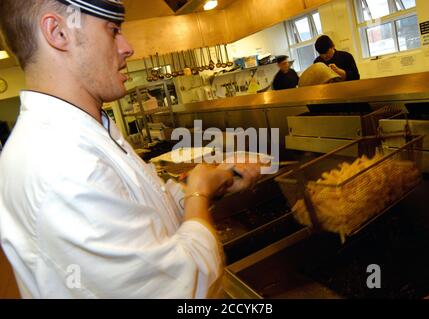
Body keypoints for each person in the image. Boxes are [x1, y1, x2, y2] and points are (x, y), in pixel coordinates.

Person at [0, 0, 260, 299]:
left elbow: (144, 213)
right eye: (113, 31)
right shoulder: (59, 162)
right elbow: (180, 287)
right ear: (58, 32)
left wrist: (211, 184)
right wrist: (199, 192)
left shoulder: (85, 130)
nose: (128, 47)